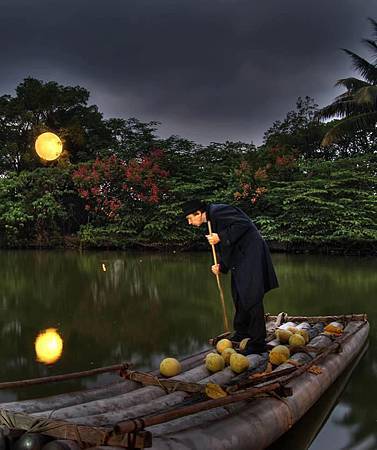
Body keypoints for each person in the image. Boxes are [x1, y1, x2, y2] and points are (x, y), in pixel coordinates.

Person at [182, 199, 279, 355]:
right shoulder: (211, 220)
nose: (189, 222)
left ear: (198, 213)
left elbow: (244, 224)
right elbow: (228, 246)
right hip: (240, 259)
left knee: (251, 296)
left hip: (251, 255)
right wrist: (221, 266)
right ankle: (242, 332)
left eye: (190, 218)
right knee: (238, 294)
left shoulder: (218, 211)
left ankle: (258, 342)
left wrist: (220, 236)